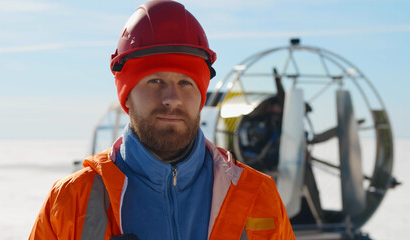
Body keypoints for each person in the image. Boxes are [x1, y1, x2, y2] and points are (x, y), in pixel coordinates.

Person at [29, 1, 295, 239]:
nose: (172, 98)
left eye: (186, 83)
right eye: (155, 81)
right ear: (127, 96)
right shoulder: (71, 200)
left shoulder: (257, 195)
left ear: (201, 96)